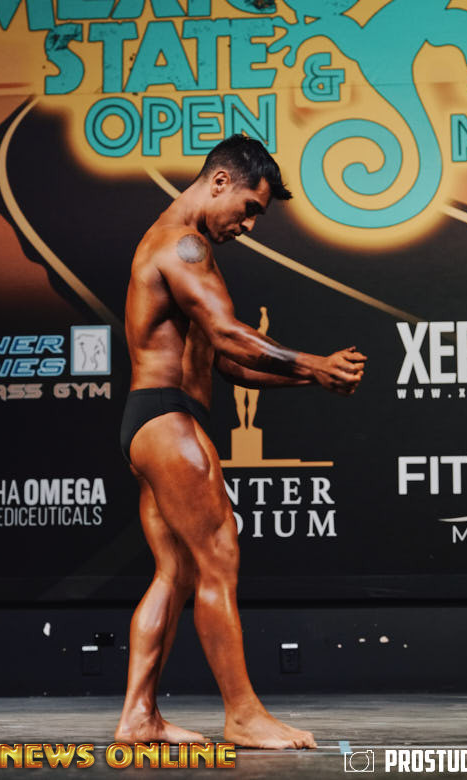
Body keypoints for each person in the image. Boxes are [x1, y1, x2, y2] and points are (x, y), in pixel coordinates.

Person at [115, 135, 366, 749]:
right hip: (170, 420)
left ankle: (139, 717)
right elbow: (229, 335)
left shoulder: (174, 245)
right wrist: (313, 361)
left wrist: (311, 377)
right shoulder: (184, 243)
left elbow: (226, 362)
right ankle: (243, 715)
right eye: (249, 208)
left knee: (174, 572)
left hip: (149, 422)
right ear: (220, 181)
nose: (249, 225)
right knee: (219, 558)